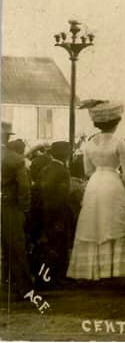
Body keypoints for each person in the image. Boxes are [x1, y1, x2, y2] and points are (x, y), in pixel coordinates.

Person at [67, 101, 125, 281]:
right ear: (116, 122)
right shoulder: (119, 142)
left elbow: (88, 170)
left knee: (93, 222)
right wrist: (123, 189)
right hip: (113, 183)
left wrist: (99, 174)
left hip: (95, 183)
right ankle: (113, 270)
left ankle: (90, 270)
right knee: (112, 222)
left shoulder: (89, 144)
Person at [35, 141, 73, 286]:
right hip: (58, 214)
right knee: (58, 245)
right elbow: (63, 196)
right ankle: (55, 278)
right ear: (65, 156)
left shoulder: (46, 169)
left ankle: (44, 277)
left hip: (45, 213)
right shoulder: (62, 171)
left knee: (47, 246)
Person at [1, 122, 32, 299]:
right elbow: (24, 188)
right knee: (15, 247)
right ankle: (23, 287)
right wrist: (24, 209)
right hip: (9, 208)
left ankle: (5, 283)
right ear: (7, 137)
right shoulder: (15, 159)